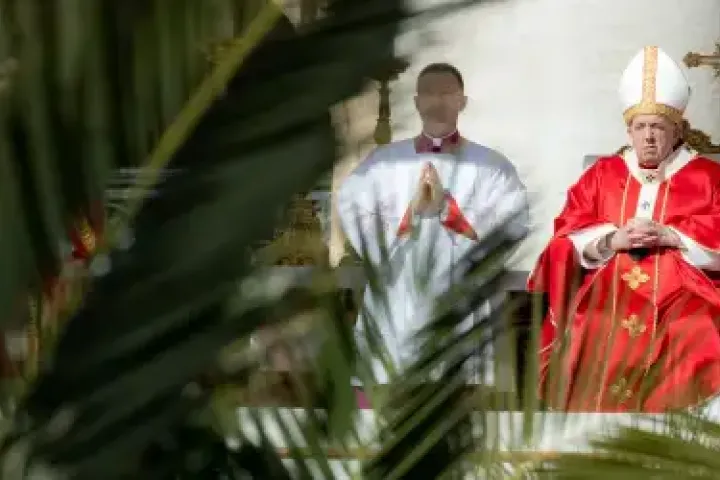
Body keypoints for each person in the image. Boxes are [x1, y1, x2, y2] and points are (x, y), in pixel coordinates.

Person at [529, 46, 720, 412]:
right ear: (628, 131)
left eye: (658, 127)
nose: (649, 137)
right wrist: (609, 240)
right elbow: (564, 237)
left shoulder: (708, 177)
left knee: (694, 328)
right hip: (610, 289)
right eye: (640, 127)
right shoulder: (603, 174)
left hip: (686, 293)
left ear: (677, 129)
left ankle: (679, 431)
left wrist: (672, 236)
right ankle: (598, 433)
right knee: (592, 323)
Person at [337, 62, 529, 384]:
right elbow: (352, 212)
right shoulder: (381, 164)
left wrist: (448, 211)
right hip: (395, 305)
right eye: (429, 93)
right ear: (416, 102)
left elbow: (513, 224)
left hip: (462, 304)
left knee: (456, 399)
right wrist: (411, 213)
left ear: (462, 101)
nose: (437, 101)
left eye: (447, 93)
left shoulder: (493, 167)